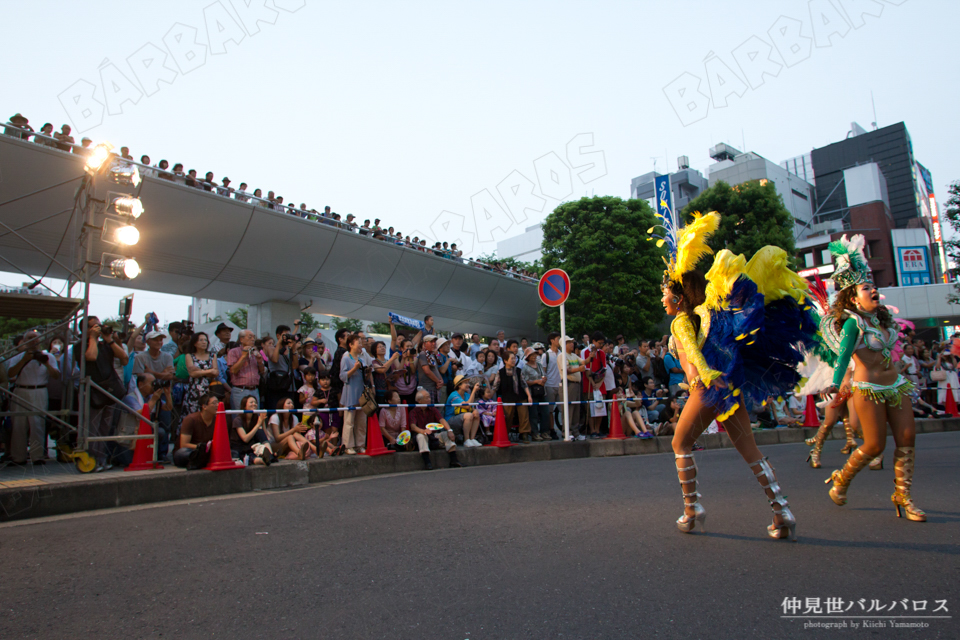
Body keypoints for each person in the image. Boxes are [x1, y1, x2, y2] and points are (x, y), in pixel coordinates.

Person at [659, 211, 815, 540]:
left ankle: (691, 509)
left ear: (677, 295)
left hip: (708, 388)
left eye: (664, 294)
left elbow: (694, 357)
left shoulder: (681, 322)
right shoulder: (708, 315)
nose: (662, 300)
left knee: (680, 443)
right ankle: (781, 510)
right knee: (750, 450)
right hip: (727, 389)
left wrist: (704, 374)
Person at [822, 235, 925, 522]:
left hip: (895, 385)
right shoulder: (853, 324)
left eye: (874, 286)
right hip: (867, 389)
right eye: (866, 287)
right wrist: (835, 381)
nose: (874, 290)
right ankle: (841, 478)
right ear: (853, 298)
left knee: (907, 437)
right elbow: (843, 357)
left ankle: (903, 497)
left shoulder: (881, 320)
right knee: (874, 445)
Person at [7, 331, 60, 464]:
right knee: (19, 424)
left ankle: (37, 456)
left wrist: (46, 363)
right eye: (30, 338)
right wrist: (25, 360)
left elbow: (56, 376)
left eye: (35, 339)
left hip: (40, 390)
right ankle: (19, 457)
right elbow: (10, 375)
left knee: (38, 424)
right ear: (24, 340)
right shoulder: (17, 357)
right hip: (21, 390)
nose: (33, 341)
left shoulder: (48, 356)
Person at [409, 389, 461, 469]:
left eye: (429, 397)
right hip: (422, 435)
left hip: (433, 435)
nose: (429, 399)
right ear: (419, 401)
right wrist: (423, 431)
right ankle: (427, 462)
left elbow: (441, 420)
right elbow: (413, 426)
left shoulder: (432, 409)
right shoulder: (414, 411)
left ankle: (454, 460)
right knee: (421, 436)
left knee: (445, 434)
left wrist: (449, 430)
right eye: (427, 398)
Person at [173, 393, 220, 468]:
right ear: (204, 406)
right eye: (214, 403)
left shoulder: (218, 420)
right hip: (193, 451)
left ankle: (202, 461)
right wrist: (202, 447)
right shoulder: (191, 419)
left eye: (218, 402)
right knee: (182, 453)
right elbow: (184, 444)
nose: (218, 405)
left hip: (207, 451)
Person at [339, 333, 368, 455]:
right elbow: (342, 376)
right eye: (358, 343)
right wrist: (354, 368)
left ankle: (360, 444)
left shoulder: (361, 359)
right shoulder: (346, 358)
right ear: (350, 345)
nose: (361, 345)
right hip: (350, 392)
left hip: (361, 392)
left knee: (361, 421)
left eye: (361, 342)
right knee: (349, 421)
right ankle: (348, 445)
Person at [495, 352, 532, 443]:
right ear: (505, 360)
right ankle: (505, 434)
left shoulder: (519, 370)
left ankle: (525, 434)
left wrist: (529, 396)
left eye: (514, 358)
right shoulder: (500, 372)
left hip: (520, 396)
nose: (513, 360)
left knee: (524, 416)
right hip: (507, 398)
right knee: (507, 417)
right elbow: (495, 387)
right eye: (511, 358)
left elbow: (524, 384)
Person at [230, 395, 273, 466]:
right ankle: (266, 459)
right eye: (251, 402)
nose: (254, 404)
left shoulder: (255, 418)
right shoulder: (237, 420)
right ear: (244, 406)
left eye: (255, 402)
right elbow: (245, 439)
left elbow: (265, 437)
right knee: (248, 458)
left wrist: (262, 422)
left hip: (251, 446)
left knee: (260, 432)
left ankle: (269, 454)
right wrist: (258, 424)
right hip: (239, 447)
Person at [226, 330, 264, 410]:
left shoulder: (255, 352)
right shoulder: (233, 352)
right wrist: (243, 356)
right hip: (240, 389)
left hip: (254, 389)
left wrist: (260, 361)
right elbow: (233, 370)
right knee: (239, 416)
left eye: (254, 337)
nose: (253, 339)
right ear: (241, 339)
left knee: (255, 416)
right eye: (250, 337)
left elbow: (262, 372)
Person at [183, 332, 219, 416]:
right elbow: (192, 373)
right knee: (193, 415)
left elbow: (216, 372)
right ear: (195, 343)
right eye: (201, 340)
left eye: (205, 340)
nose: (204, 342)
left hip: (208, 390)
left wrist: (199, 371)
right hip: (194, 391)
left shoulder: (212, 356)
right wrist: (209, 371)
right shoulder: (189, 356)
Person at [521, 347, 550, 441]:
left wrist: (544, 379)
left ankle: (545, 432)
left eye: (535, 355)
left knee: (545, 412)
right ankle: (534, 433)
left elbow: (544, 374)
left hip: (542, 391)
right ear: (528, 357)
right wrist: (536, 381)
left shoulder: (539, 365)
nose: (534, 356)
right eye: (531, 355)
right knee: (533, 414)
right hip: (532, 392)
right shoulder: (525, 367)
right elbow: (524, 381)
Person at [444, 376, 482, 446]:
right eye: (465, 383)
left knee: (476, 413)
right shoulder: (453, 395)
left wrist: (475, 412)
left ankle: (472, 439)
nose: (468, 385)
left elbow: (471, 408)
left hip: (461, 417)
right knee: (469, 415)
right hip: (450, 420)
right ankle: (466, 440)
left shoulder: (467, 395)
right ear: (459, 385)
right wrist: (473, 391)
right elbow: (467, 406)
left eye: (468, 383)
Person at [564, 339, 585, 440]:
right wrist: (579, 369)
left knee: (576, 409)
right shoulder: (562, 355)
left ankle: (576, 433)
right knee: (570, 410)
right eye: (569, 343)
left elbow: (584, 362)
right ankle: (567, 432)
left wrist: (591, 355)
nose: (572, 344)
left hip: (577, 384)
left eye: (572, 342)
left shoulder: (574, 355)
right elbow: (566, 370)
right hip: (569, 384)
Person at [417, 335, 444, 404]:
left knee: (434, 410)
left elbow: (436, 370)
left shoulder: (432, 355)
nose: (434, 343)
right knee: (428, 410)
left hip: (435, 388)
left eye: (434, 341)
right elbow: (427, 371)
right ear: (424, 343)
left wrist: (441, 381)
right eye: (431, 342)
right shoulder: (423, 354)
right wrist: (438, 381)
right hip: (427, 388)